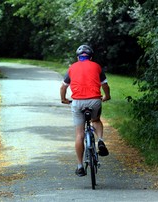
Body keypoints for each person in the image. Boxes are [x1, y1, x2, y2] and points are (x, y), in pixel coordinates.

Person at [60, 45, 111, 177]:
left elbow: (63, 87)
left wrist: (64, 99)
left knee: (79, 134)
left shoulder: (72, 68)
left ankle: (80, 166)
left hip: (77, 102)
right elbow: (104, 85)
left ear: (78, 57)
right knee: (96, 120)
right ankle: (100, 140)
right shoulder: (97, 66)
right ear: (91, 57)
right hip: (94, 100)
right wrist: (107, 96)